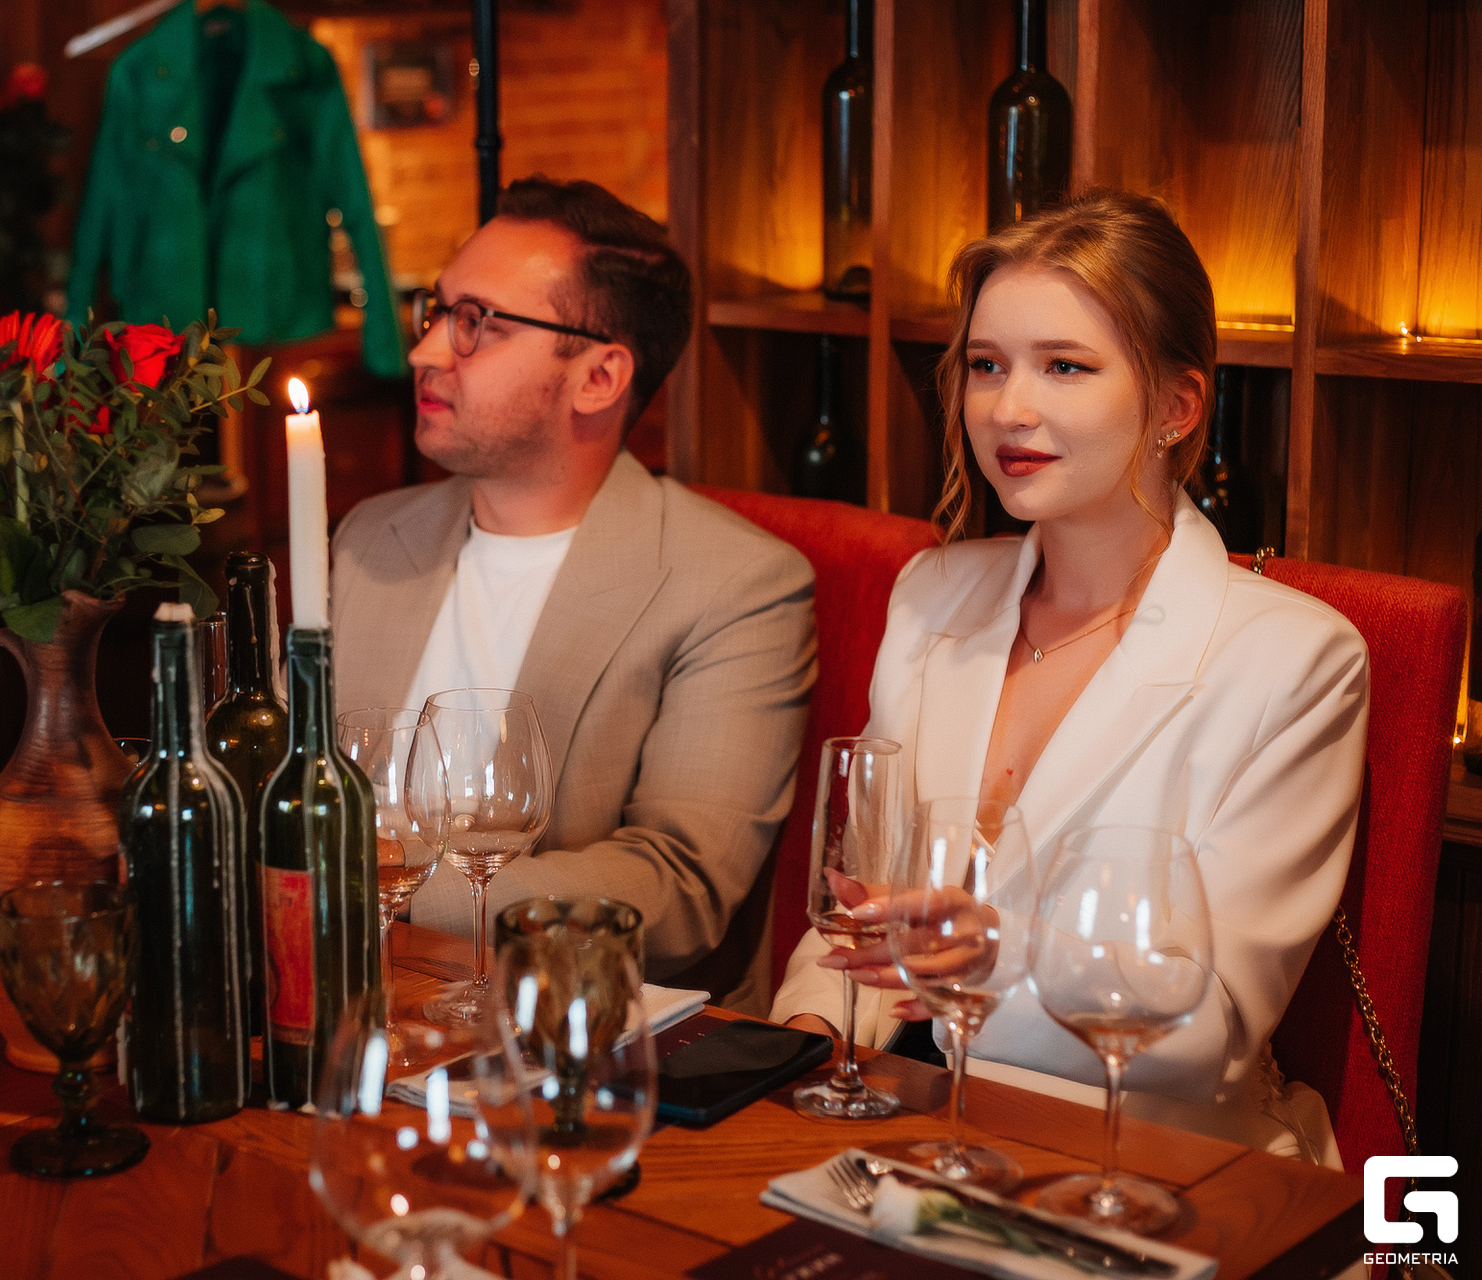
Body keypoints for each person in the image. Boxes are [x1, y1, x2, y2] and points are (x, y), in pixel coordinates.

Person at [772, 190, 1368, 1163]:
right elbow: (860, 904)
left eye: (1065, 366)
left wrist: (997, 956)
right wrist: (803, 1048)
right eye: (986, 365)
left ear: (1176, 406)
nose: (1009, 408)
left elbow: (1214, 1031)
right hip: (906, 1126)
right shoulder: (932, 593)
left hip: (1144, 1160)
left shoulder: (1297, 660)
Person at [331, 176, 816, 1014]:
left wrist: (383, 883)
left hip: (579, 1024)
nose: (426, 352)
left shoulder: (734, 583)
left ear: (598, 376)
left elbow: (679, 882)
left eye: (477, 323)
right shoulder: (369, 538)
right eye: (436, 312)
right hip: (347, 993)